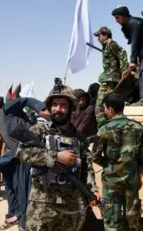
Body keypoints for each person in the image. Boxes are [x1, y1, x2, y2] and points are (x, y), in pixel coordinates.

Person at [16, 80, 99, 231]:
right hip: (42, 205)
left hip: (70, 206)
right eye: (54, 105)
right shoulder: (39, 130)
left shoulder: (79, 138)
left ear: (71, 108)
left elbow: (87, 168)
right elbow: (22, 153)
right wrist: (55, 157)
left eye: (63, 105)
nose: (58, 109)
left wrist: (92, 190)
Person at [93, 93, 143, 230]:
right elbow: (142, 155)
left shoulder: (103, 129)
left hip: (111, 180)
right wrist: (139, 174)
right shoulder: (138, 128)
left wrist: (107, 164)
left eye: (104, 108)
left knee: (111, 220)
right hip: (131, 178)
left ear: (110, 109)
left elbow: (94, 155)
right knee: (133, 220)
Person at [93, 26, 129, 126]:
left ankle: (104, 127)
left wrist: (124, 69)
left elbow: (122, 53)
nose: (98, 39)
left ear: (105, 35)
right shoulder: (106, 45)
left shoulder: (110, 43)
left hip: (110, 80)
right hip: (108, 78)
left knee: (100, 107)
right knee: (103, 107)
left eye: (99, 36)